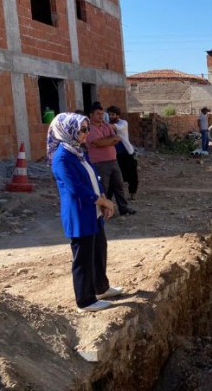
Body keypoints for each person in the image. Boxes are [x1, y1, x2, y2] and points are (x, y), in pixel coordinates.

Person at [47, 113, 124, 312]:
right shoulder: (62, 158)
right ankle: (85, 300)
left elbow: (94, 177)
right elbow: (77, 189)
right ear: (68, 130)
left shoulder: (78, 152)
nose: (86, 133)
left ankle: (101, 288)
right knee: (83, 258)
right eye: (82, 130)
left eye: (87, 129)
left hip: (93, 210)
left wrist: (103, 199)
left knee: (99, 249)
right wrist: (104, 202)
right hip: (80, 213)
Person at [86, 102, 136, 216]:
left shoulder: (106, 125)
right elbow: (97, 142)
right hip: (99, 163)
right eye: (98, 114)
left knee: (119, 186)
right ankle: (103, 211)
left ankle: (123, 208)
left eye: (102, 114)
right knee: (103, 188)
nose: (101, 116)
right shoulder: (89, 129)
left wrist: (106, 141)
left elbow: (117, 138)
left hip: (113, 160)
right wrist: (110, 140)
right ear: (91, 115)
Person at [107, 106, 139, 200]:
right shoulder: (108, 124)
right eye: (109, 114)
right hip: (114, 154)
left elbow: (115, 127)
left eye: (113, 114)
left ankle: (132, 193)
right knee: (114, 175)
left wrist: (100, 124)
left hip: (127, 153)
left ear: (118, 115)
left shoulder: (123, 123)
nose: (111, 116)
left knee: (132, 174)